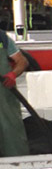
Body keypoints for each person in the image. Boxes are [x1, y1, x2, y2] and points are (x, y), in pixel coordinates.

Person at [0, 29, 30, 157]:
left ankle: (19, 168)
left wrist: (13, 74)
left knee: (11, 132)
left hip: (4, 93)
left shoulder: (2, 37)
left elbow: (22, 61)